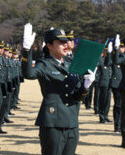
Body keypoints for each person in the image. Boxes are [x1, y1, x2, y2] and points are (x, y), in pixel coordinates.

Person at [21, 23, 96, 155]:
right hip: (53, 123)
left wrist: (86, 86)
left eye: (66, 42)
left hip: (71, 122)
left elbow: (77, 97)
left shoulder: (70, 64)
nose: (66, 45)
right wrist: (27, 50)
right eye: (61, 42)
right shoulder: (44, 64)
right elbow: (29, 74)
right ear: (49, 46)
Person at [110, 35, 124, 132]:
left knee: (124, 106)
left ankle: (122, 124)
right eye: (120, 46)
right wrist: (115, 49)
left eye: (122, 47)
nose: (121, 48)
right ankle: (117, 125)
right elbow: (114, 61)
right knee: (118, 105)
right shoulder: (114, 57)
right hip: (117, 84)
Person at [98, 41, 113, 123]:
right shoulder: (100, 60)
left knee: (108, 101)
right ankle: (101, 117)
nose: (106, 52)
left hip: (110, 83)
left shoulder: (110, 60)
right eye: (105, 51)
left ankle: (106, 115)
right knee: (102, 100)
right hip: (103, 82)